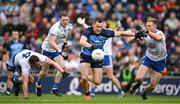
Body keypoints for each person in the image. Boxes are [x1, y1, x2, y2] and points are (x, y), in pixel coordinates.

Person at [78, 17, 145, 100]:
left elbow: (121, 33)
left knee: (97, 82)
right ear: (93, 25)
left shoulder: (106, 32)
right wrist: (91, 46)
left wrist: (135, 34)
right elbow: (82, 41)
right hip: (86, 55)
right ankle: (87, 93)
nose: (99, 29)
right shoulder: (88, 30)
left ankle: (84, 79)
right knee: (84, 77)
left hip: (98, 57)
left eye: (100, 27)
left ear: (103, 26)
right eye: (97, 26)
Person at [77, 17, 125, 97]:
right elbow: (88, 29)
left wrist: (119, 26)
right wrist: (82, 23)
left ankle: (120, 91)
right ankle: (92, 90)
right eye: (99, 25)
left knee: (110, 75)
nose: (101, 27)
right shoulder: (95, 30)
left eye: (102, 25)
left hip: (106, 55)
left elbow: (117, 32)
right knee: (94, 73)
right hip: (95, 53)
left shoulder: (107, 31)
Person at [128, 17, 167, 100]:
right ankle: (138, 84)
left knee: (152, 86)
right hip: (149, 58)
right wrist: (136, 36)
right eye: (146, 26)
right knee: (138, 78)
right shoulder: (145, 33)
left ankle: (145, 92)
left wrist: (147, 32)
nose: (147, 27)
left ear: (155, 26)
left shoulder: (160, 33)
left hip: (160, 60)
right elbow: (129, 41)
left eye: (149, 26)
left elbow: (158, 38)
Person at [36, 12, 73, 96]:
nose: (65, 22)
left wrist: (64, 42)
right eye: (63, 20)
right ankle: (38, 84)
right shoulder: (55, 28)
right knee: (45, 72)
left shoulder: (70, 26)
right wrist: (60, 51)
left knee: (62, 67)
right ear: (59, 20)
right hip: (47, 50)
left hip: (56, 51)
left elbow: (67, 35)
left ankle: (54, 88)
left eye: (67, 20)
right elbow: (51, 42)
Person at [4, 28, 26, 95]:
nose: (15, 35)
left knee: (23, 77)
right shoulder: (9, 44)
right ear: (11, 35)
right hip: (12, 62)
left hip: (20, 63)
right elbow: (7, 54)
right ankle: (8, 91)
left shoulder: (23, 43)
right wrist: (7, 62)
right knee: (10, 76)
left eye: (16, 34)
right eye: (13, 34)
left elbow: (25, 53)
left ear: (18, 35)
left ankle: (23, 91)